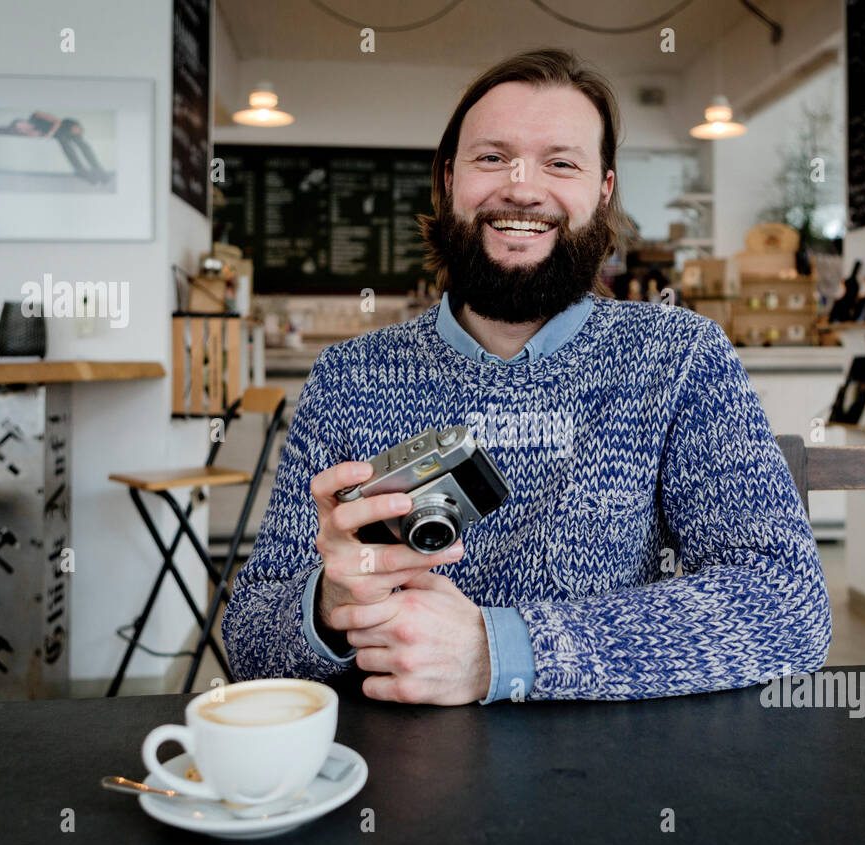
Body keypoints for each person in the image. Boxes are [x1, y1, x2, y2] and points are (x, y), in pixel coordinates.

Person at [221, 48, 831, 705]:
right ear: (450, 179)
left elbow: (785, 602)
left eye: (561, 162)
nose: (521, 187)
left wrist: (498, 652)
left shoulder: (678, 356)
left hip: (611, 773)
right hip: (396, 779)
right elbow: (251, 642)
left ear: (602, 191)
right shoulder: (351, 376)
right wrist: (328, 602)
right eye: (491, 158)